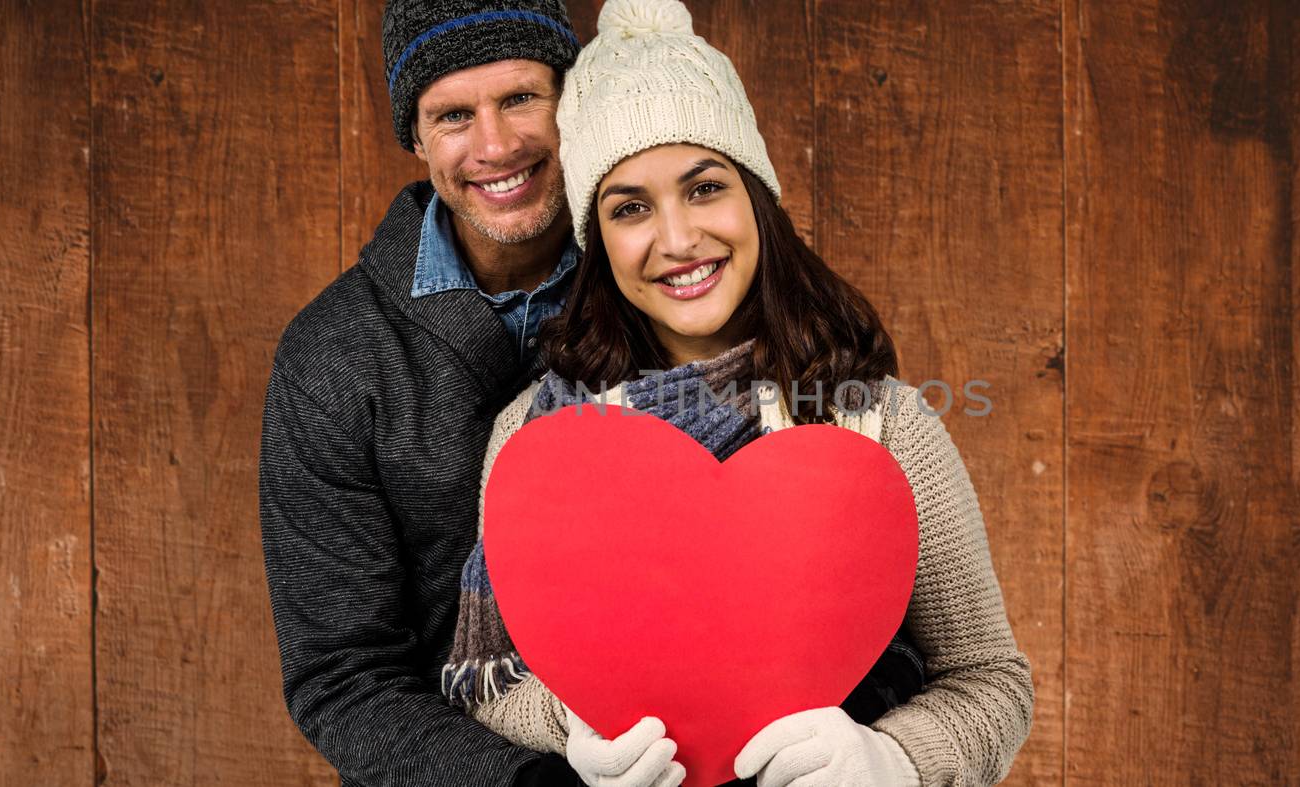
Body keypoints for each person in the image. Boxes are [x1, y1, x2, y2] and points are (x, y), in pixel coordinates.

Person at [258, 1, 924, 784]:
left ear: (574, 99)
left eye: (519, 98)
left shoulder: (682, 283)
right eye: (452, 115)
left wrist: (883, 734)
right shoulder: (333, 359)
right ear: (414, 135)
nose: (496, 145)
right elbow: (341, 677)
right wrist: (538, 779)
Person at [445, 1, 1035, 786]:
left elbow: (991, 679)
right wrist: (569, 723)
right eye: (629, 207)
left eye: (705, 187)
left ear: (757, 198)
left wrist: (893, 758)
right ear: (598, 241)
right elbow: (491, 685)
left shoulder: (882, 423)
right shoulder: (540, 437)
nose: (679, 238)